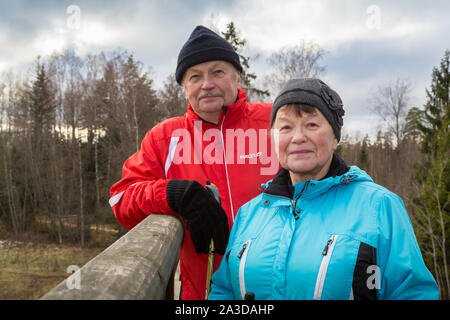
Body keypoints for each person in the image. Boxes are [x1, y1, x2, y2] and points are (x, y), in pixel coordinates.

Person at [208, 78, 439, 300]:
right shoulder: (250, 213)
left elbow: (412, 292)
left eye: (311, 124)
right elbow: (223, 289)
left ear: (335, 138)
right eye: (286, 127)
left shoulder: (379, 207)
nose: (298, 137)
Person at [109, 25, 277, 300]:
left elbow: (323, 174)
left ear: (237, 77)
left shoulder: (274, 123)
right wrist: (173, 194)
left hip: (280, 290)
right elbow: (121, 199)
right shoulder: (165, 137)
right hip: (203, 293)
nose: (206, 84)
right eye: (195, 76)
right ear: (185, 88)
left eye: (217, 72)